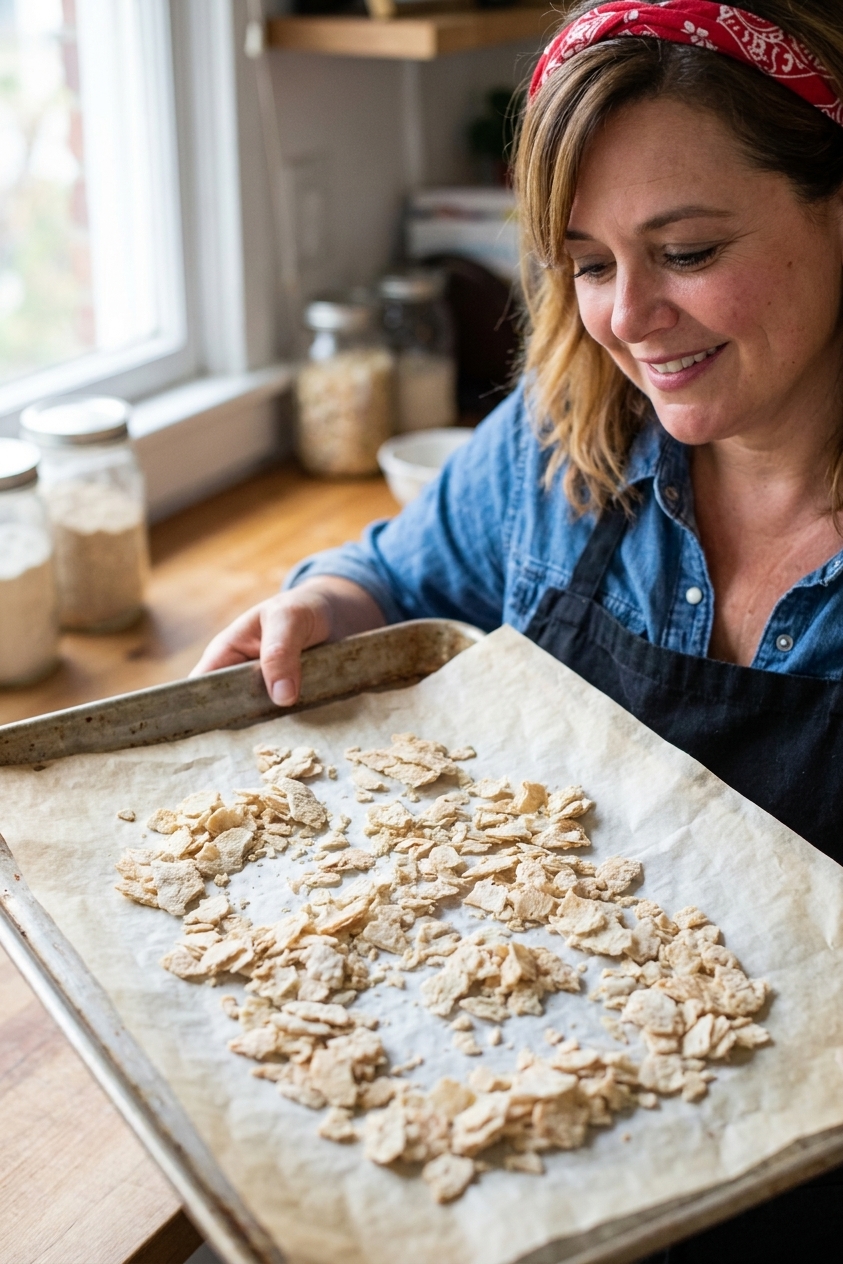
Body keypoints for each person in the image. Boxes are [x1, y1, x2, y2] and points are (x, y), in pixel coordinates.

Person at [194, 3, 843, 1256]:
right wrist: (324, 605)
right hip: (537, 1131)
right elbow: (394, 570)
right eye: (590, 264)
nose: (630, 317)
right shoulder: (567, 446)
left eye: (690, 248)